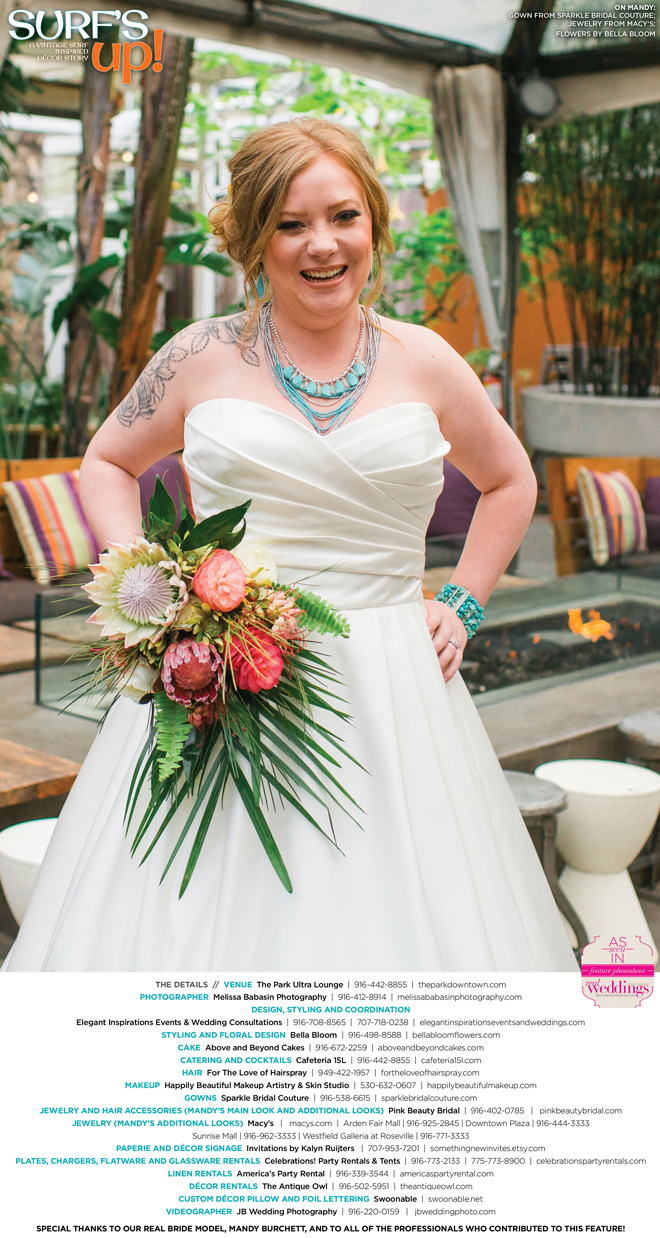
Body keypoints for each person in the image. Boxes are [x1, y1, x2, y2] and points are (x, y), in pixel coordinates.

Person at [5, 118, 576, 972]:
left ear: (374, 223)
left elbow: (512, 481)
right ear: (253, 239)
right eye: (290, 223)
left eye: (344, 216)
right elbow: (107, 462)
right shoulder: (199, 354)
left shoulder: (426, 360)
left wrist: (462, 601)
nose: (323, 245)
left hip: (396, 689)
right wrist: (151, 595)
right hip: (225, 679)